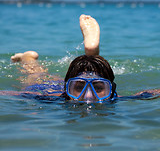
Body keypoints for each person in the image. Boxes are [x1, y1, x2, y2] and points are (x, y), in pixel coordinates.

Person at [1, 15, 160, 102]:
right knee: (35, 74)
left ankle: (92, 59)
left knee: (89, 76)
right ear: (66, 91)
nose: (88, 97)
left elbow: (149, 93)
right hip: (44, 86)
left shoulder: (114, 98)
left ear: (112, 91)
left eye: (99, 88)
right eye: (78, 88)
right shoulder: (47, 97)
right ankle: (27, 58)